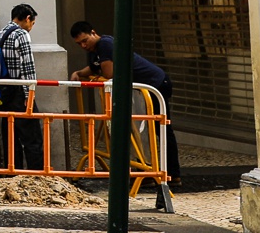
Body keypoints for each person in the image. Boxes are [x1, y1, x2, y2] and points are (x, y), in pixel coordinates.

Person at [70, 20, 181, 184]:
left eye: (85, 40)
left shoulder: (105, 44)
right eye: (79, 44)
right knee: (141, 130)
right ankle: (146, 172)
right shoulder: (95, 50)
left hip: (156, 84)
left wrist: (97, 72)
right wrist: (79, 72)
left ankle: (172, 173)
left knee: (161, 129)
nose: (83, 46)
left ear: (93, 33)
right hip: (142, 88)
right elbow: (94, 68)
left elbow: (108, 73)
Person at [0, 4, 42, 173]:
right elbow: (28, 67)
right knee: (32, 136)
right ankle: (35, 175)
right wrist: (30, 94)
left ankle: (13, 172)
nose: (31, 27)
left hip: (2, 91)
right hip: (19, 91)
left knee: (10, 134)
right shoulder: (21, 34)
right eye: (32, 23)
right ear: (28, 18)